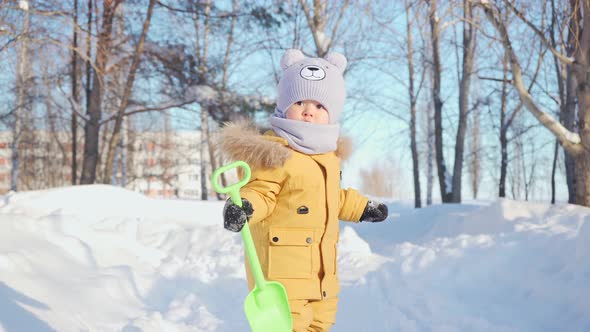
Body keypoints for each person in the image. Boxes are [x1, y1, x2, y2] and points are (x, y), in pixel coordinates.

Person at [217, 49, 388, 332]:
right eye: (300, 101)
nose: (309, 110)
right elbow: (262, 192)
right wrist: (245, 207)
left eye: (320, 106)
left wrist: (361, 208)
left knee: (320, 324)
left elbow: (332, 198)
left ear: (331, 113)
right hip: (282, 272)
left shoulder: (328, 158)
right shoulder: (275, 152)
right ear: (284, 106)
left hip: (322, 275)